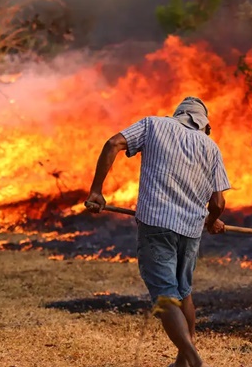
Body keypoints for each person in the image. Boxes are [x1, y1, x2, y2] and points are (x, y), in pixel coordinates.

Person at [85, 96, 230, 367]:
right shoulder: (211, 147)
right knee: (183, 292)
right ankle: (182, 363)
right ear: (204, 125)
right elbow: (219, 203)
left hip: (156, 225)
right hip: (190, 230)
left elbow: (113, 143)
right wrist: (211, 221)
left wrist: (96, 190)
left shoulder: (153, 125)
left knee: (165, 295)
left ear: (177, 115)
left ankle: (193, 359)